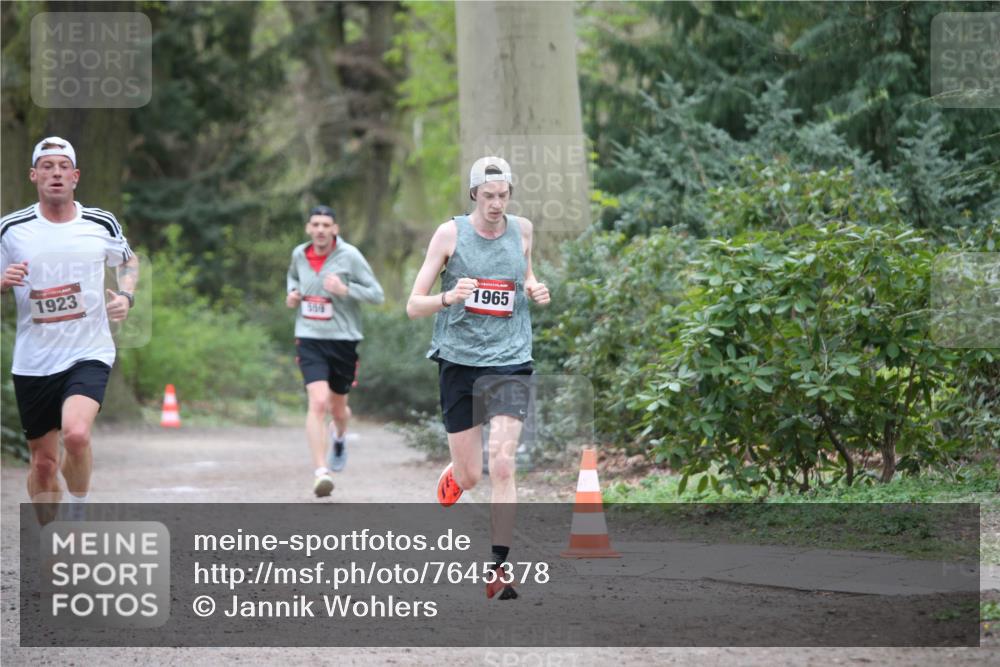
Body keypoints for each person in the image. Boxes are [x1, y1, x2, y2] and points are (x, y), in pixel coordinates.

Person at [407, 156, 550, 600]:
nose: (496, 204)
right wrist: (449, 296)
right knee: (472, 476)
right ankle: (456, 474)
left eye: (503, 195)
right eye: (488, 196)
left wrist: (534, 286)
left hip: (510, 358)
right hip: (459, 361)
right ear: (473, 194)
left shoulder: (522, 230)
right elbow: (414, 304)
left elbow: (524, 273)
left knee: (503, 464)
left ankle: (499, 569)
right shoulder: (451, 234)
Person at [1, 137, 139, 524]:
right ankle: (50, 538)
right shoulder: (11, 229)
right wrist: (2, 280)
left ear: (75, 177)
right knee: (43, 464)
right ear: (33, 175)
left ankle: (78, 515)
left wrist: (126, 296)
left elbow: (128, 262)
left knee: (76, 434)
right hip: (34, 359)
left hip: (88, 351)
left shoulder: (100, 222)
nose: (56, 173)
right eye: (47, 166)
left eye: (63, 166)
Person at [286, 205, 384, 497]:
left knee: (338, 409)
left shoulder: (350, 256)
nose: (320, 230)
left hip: (343, 340)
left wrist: (345, 290)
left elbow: (377, 295)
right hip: (309, 337)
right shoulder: (298, 255)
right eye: (315, 224)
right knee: (317, 403)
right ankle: (320, 472)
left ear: (335, 229)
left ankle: (339, 436)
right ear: (308, 228)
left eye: (326, 225)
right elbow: (292, 278)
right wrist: (291, 294)